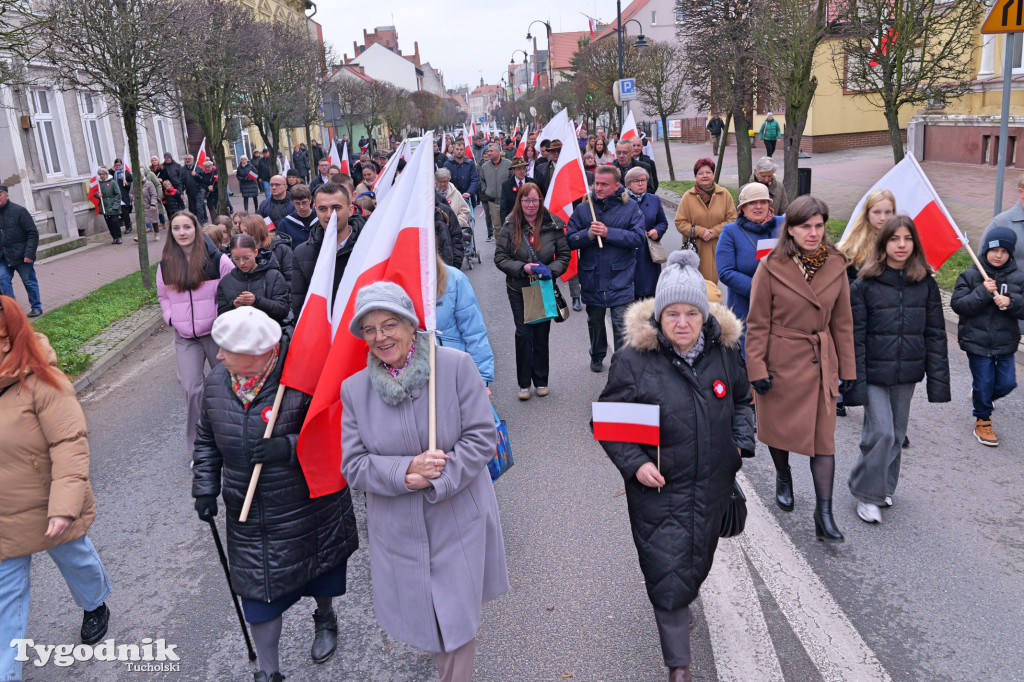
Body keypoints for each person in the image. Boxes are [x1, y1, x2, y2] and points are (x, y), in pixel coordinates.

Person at [340, 282, 509, 682]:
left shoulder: (455, 366)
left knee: (455, 624)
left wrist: (438, 478)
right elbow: (354, 465)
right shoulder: (354, 390)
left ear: (410, 325)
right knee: (431, 623)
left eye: (389, 324)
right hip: (398, 530)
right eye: (370, 329)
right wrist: (406, 472)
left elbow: (482, 437)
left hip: (457, 519)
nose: (381, 337)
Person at [597, 250, 753, 682]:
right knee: (666, 572)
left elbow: (742, 400)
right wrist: (636, 465)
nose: (682, 323)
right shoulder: (633, 360)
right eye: (672, 313)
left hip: (712, 486)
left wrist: (739, 444)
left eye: (691, 313)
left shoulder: (724, 353)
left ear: (704, 316)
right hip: (659, 490)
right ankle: (679, 667)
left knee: (696, 561)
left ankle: (683, 604)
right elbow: (608, 422)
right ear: (659, 315)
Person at [193, 307, 358, 682]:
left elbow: (338, 430)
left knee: (319, 570)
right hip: (249, 514)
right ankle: (269, 673)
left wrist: (288, 447)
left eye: (228, 350)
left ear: (259, 354)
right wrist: (204, 486)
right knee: (259, 596)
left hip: (305, 507)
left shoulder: (302, 377)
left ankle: (325, 616)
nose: (218, 355)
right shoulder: (218, 380)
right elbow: (206, 437)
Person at [0, 298, 113, 682]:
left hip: (48, 505)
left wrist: (64, 507)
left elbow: (69, 444)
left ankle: (95, 603)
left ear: (6, 337)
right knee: (5, 605)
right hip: (4, 518)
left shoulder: (44, 381)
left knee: (77, 561)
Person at [745, 195, 855, 542]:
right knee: (779, 431)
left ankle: (824, 513)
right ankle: (783, 474)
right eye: (805, 226)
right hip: (780, 361)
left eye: (819, 226)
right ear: (790, 229)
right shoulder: (771, 266)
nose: (813, 233)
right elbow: (757, 323)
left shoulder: (836, 265)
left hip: (820, 364)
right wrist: (756, 368)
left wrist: (848, 372)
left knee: (824, 442)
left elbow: (843, 323)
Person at [846, 216, 950, 524]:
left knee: (896, 434)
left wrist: (939, 381)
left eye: (907, 238)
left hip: (907, 373)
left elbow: (935, 333)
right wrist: (854, 379)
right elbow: (854, 336)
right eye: (894, 239)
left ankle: (884, 488)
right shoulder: (864, 285)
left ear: (915, 243)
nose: (901, 245)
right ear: (883, 244)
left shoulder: (926, 284)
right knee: (882, 432)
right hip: (873, 372)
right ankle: (866, 493)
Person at [156, 211, 234, 454]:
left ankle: (232, 439)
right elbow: (163, 296)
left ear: (196, 229)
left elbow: (234, 288)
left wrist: (222, 318)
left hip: (216, 334)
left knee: (227, 386)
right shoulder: (166, 265)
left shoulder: (217, 260)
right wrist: (170, 317)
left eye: (187, 227)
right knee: (191, 388)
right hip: (186, 338)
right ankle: (200, 447)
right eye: (176, 228)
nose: (182, 232)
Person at [566, 165, 647, 373]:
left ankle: (621, 365)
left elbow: (638, 238)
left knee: (621, 324)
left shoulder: (631, 208)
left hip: (621, 277)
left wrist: (609, 233)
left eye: (604, 184)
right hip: (592, 276)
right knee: (595, 322)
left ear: (617, 185)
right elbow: (570, 239)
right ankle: (597, 354)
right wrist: (588, 235)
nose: (598, 188)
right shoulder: (584, 209)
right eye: (597, 184)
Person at [495, 182, 571, 400]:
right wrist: (523, 268)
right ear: (520, 202)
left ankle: (541, 380)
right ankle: (523, 383)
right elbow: (500, 258)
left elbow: (564, 256)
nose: (531, 204)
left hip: (543, 288)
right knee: (523, 334)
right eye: (526, 200)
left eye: (535, 200)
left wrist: (550, 271)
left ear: (540, 201)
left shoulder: (553, 225)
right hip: (518, 288)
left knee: (541, 334)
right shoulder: (510, 225)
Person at [951, 226, 1024, 447]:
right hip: (977, 341)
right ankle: (983, 420)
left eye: (1004, 251)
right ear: (985, 251)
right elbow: (958, 305)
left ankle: (981, 396)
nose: (998, 255)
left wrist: (1011, 301)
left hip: (1005, 341)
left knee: (1007, 383)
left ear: (1010, 253)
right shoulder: (971, 275)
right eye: (994, 250)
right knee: (984, 383)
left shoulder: (1018, 277)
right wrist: (982, 292)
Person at [715, 182, 784, 354]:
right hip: (747, 309)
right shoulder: (731, 231)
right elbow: (725, 272)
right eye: (752, 202)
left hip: (782, 307)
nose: (758, 206)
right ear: (743, 208)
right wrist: (759, 289)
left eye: (763, 202)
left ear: (769, 204)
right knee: (751, 358)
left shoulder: (783, 225)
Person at [290, 182, 364, 319]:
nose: (329, 215)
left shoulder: (368, 248)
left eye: (336, 208)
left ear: (350, 210)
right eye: (323, 209)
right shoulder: (302, 254)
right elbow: (300, 305)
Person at [435, 250, 495, 386]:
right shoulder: (392, 283)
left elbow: (474, 331)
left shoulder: (454, 279)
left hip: (452, 374)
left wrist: (482, 378)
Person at [673, 158, 736, 283]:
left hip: (718, 247)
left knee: (712, 286)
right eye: (700, 173)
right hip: (695, 250)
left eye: (708, 172)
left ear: (713, 174)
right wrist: (700, 232)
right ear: (695, 176)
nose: (705, 176)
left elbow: (732, 219)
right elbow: (680, 222)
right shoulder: (688, 197)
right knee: (694, 285)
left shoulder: (724, 194)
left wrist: (714, 232)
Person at [216, 233, 290, 323]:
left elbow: (283, 310)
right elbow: (221, 316)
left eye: (246, 258)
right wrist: (233, 306)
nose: (242, 263)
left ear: (256, 253)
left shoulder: (273, 276)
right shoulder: (226, 281)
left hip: (268, 330)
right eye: (236, 259)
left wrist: (257, 301)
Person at [625, 167, 668, 299]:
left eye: (643, 180)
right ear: (628, 184)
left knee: (650, 295)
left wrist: (658, 231)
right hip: (629, 254)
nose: (641, 184)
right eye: (636, 181)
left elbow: (663, 222)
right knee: (632, 298)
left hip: (649, 254)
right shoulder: (622, 201)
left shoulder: (654, 199)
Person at [0, 186, 42, 317]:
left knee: (29, 281)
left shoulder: (19, 211)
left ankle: (36, 307)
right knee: (2, 279)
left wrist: (29, 254)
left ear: (7, 195)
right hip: (3, 257)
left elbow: (32, 233)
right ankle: (13, 310)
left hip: (22, 255)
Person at [838, 189, 896, 277]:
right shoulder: (852, 244)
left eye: (888, 212)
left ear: (893, 213)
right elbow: (842, 279)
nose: (883, 218)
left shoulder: (901, 242)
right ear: (867, 214)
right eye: (877, 212)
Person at [240, 215, 293, 288]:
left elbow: (291, 278)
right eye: (242, 231)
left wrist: (275, 291)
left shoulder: (281, 248)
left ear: (257, 230)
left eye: (246, 231)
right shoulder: (245, 249)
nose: (243, 235)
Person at [478, 142, 512, 242]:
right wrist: (486, 190)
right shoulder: (485, 167)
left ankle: (510, 245)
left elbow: (512, 179)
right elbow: (482, 180)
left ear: (498, 152)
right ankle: (500, 246)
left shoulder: (508, 164)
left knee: (509, 224)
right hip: (493, 202)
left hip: (507, 201)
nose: (489, 153)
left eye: (491, 151)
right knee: (497, 227)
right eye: (488, 151)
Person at [443, 141, 480, 228]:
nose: (459, 151)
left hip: (467, 196)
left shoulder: (470, 163)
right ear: (453, 150)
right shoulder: (447, 164)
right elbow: (444, 180)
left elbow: (475, 179)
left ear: (464, 151)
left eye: (461, 149)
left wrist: (469, 192)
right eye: (457, 149)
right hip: (452, 196)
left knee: (468, 222)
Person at [499, 157, 533, 224]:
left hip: (530, 220)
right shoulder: (506, 185)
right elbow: (504, 208)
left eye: (523, 168)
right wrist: (505, 224)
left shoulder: (532, 183)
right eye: (519, 169)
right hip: (513, 221)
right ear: (513, 170)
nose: (522, 171)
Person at [97, 167, 123, 244]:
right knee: (109, 223)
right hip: (104, 207)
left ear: (106, 174)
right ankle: (114, 237)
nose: (101, 176)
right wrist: (97, 195)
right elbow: (94, 192)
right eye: (100, 174)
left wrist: (115, 205)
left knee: (115, 222)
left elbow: (118, 194)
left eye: (103, 174)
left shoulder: (113, 182)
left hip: (113, 207)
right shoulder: (98, 183)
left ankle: (119, 237)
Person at [135, 172, 162, 243]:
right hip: (140, 205)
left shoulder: (149, 184)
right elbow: (131, 193)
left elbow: (153, 194)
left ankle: (156, 233)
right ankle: (140, 235)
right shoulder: (134, 184)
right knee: (141, 221)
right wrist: (133, 198)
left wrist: (153, 203)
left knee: (153, 220)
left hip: (149, 204)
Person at [111, 158, 134, 235]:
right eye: (116, 165)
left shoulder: (126, 173)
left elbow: (132, 183)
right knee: (120, 213)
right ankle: (128, 224)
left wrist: (127, 184)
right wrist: (112, 170)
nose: (118, 166)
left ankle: (128, 227)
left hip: (125, 195)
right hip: (116, 196)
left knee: (125, 212)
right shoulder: (113, 173)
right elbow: (107, 176)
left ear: (122, 165)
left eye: (119, 165)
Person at [182, 153, 203, 219]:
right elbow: (181, 181)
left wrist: (196, 175)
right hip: (189, 192)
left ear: (193, 160)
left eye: (189, 159)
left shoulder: (199, 168)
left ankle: (200, 221)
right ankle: (196, 220)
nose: (187, 160)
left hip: (198, 191)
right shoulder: (183, 169)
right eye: (186, 159)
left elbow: (203, 179)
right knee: (192, 209)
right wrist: (181, 192)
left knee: (199, 207)